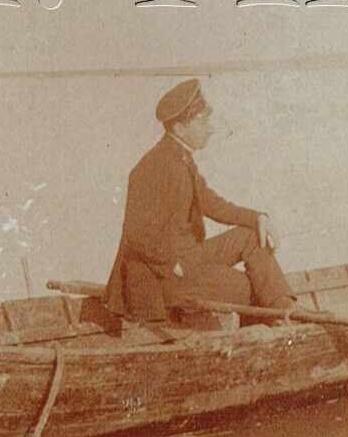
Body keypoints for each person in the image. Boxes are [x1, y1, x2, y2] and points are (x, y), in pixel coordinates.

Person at [103, 78, 296, 326]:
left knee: (250, 236)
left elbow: (211, 204)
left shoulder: (180, 157)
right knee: (248, 287)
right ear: (180, 128)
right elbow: (136, 232)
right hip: (160, 278)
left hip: (188, 257)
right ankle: (279, 319)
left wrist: (258, 217)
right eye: (202, 121)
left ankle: (285, 311)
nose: (211, 128)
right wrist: (172, 265)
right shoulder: (154, 166)